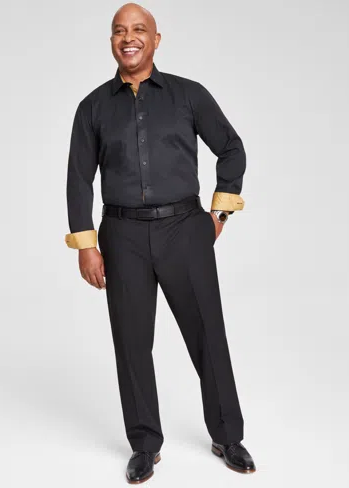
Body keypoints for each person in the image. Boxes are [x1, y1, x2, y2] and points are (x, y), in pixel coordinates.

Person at [65, 2, 256, 484]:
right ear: (112, 41)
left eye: (138, 30)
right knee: (131, 343)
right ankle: (145, 445)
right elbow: (78, 179)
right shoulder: (93, 107)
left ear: (155, 39)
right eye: (119, 31)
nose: (128, 38)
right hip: (122, 235)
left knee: (207, 335)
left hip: (184, 230)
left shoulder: (188, 95)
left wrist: (219, 213)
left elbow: (231, 148)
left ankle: (228, 436)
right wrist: (87, 244)